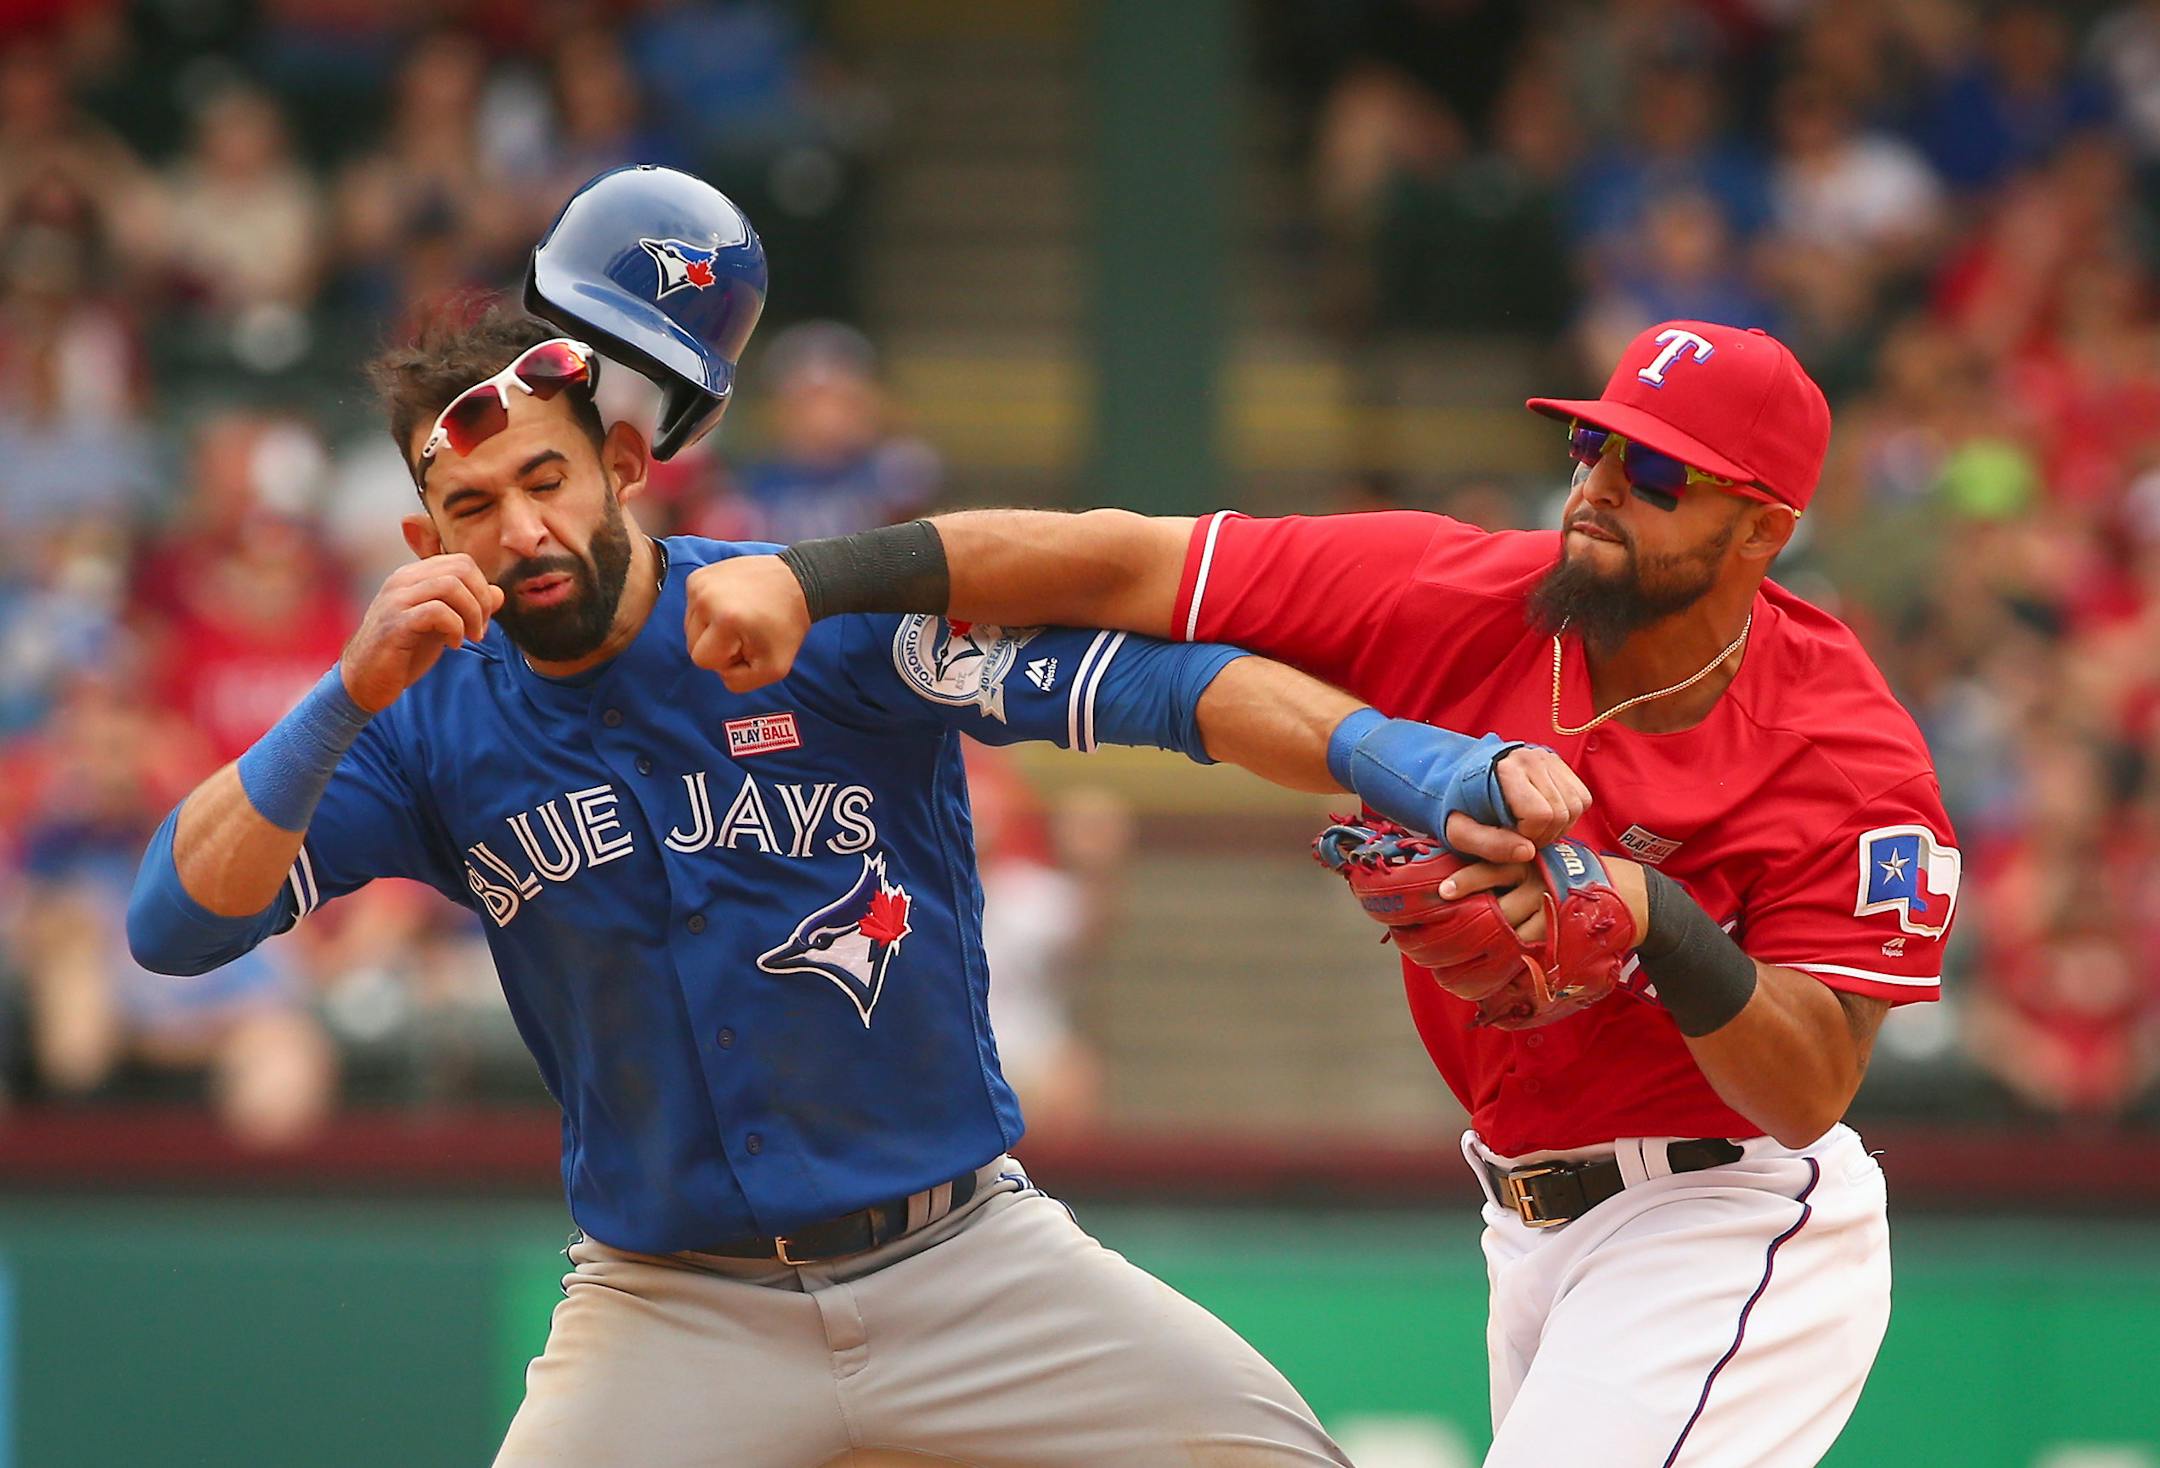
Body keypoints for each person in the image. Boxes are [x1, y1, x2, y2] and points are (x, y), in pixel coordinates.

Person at [127, 169, 1593, 1467]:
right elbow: (175, 925)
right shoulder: (421, 725)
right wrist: (342, 694)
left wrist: (1428, 770)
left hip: (967, 1263)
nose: (517, 530)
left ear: (624, 470)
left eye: (546, 478)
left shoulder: (803, 615)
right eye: (467, 506)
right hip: (668, 1304)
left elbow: (1173, 694)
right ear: (420, 540)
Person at [687, 319, 1961, 1466]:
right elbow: (1120, 564)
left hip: (1728, 1213)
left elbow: (1808, 1090)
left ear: (1763, 528)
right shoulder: (1455, 592)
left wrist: (1653, 915)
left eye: (1659, 473)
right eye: (1593, 445)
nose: (1602, 488)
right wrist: (814, 578)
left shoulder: (1845, 752)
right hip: (1526, 1222)